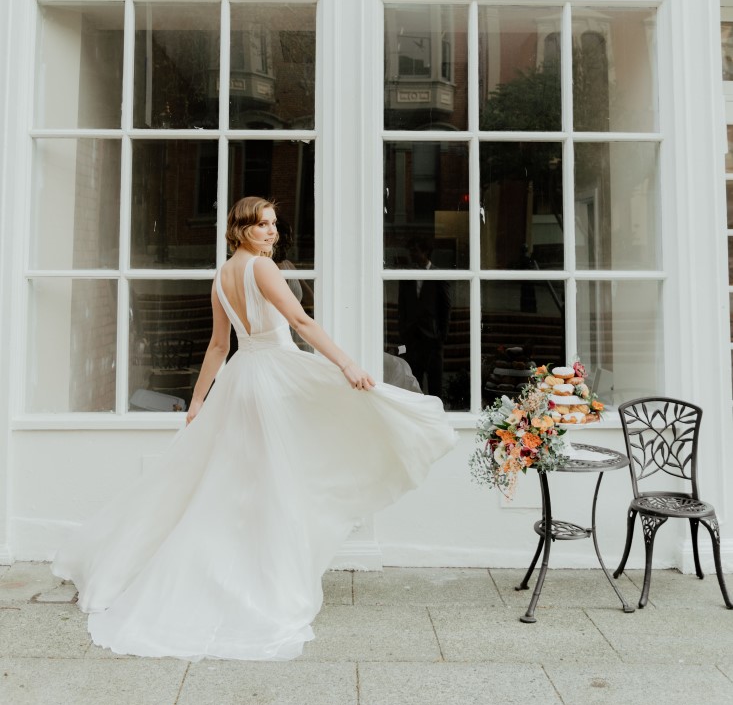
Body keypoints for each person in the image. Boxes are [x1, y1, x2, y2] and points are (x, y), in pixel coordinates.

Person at [52, 196, 457, 661]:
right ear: (240, 229)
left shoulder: (222, 275)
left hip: (243, 379)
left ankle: (247, 572)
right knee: (285, 476)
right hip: (273, 380)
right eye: (261, 225)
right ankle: (267, 584)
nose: (271, 232)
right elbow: (300, 320)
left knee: (248, 484)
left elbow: (220, 347)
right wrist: (347, 364)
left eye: (273, 224)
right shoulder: (262, 269)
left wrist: (202, 399)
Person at [398, 238, 452, 399]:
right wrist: (402, 335)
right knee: (414, 384)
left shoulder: (438, 275)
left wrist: (442, 337)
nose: (412, 254)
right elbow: (402, 308)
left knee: (435, 384)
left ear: (425, 252)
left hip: (432, 340)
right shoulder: (407, 276)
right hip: (412, 340)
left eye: (415, 251)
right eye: (411, 251)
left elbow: (446, 308)